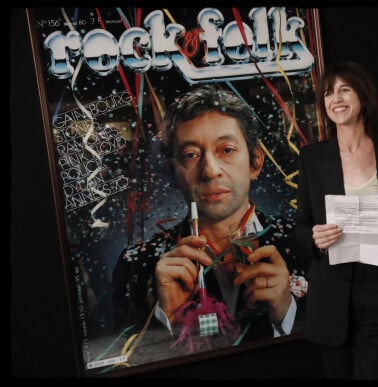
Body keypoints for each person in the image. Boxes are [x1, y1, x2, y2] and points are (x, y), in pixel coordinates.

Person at [112, 84, 308, 358]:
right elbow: (119, 358)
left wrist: (287, 315)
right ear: (173, 171)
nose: (210, 171)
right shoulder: (136, 266)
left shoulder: (304, 245)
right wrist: (165, 319)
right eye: (191, 155)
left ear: (255, 162)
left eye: (226, 150)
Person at [295, 61, 378, 379]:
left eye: (344, 89)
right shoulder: (312, 158)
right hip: (330, 296)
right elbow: (301, 223)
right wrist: (314, 237)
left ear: (363, 97)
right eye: (328, 93)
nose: (335, 99)